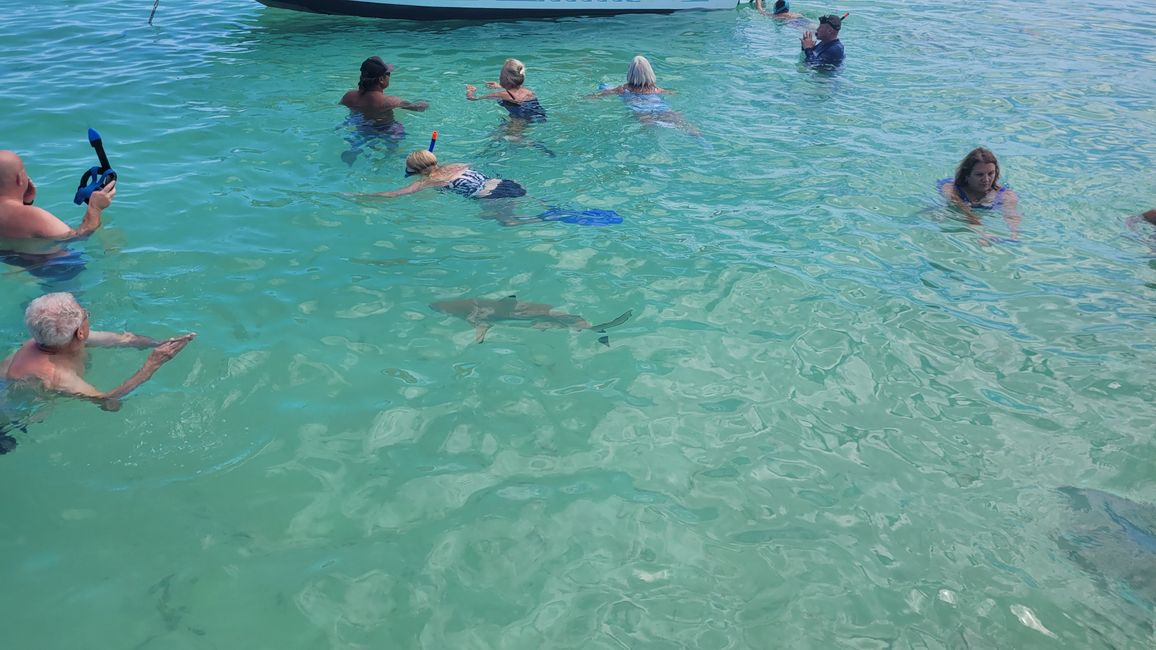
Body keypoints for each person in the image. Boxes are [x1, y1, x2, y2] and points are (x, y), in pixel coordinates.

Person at [1, 293, 195, 411]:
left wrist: (159, 343)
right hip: (10, 421)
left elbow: (123, 339)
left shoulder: (51, 338)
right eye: (86, 315)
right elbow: (107, 401)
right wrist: (152, 364)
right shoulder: (57, 375)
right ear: (81, 331)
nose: (87, 315)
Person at [0, 150, 116, 284]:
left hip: (19, 264)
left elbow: (14, 228)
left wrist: (26, 202)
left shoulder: (26, 217)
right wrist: (95, 208)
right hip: (59, 271)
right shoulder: (34, 217)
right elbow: (78, 236)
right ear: (20, 179)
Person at [338, 57, 429, 164]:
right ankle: (390, 155)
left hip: (363, 127)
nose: (389, 77)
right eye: (388, 74)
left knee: (360, 134)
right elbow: (417, 107)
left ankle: (355, 150)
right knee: (397, 130)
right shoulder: (389, 101)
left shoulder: (349, 96)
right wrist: (425, 103)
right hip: (386, 129)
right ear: (381, 79)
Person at [593, 55, 699, 135]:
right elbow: (673, 93)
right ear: (650, 73)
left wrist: (592, 95)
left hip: (642, 110)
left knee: (649, 126)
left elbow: (604, 93)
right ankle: (700, 138)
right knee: (683, 123)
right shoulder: (657, 90)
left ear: (630, 73)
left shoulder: (623, 89)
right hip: (660, 107)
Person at [938, 147, 1021, 242]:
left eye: (991, 173)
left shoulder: (1006, 195)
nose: (986, 180)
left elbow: (1011, 216)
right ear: (967, 175)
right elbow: (961, 210)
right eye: (979, 175)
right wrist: (982, 232)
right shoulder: (951, 188)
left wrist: (1013, 235)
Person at [466, 59, 547, 123]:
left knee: (501, 136)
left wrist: (470, 91)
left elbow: (473, 98)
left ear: (503, 78)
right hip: (538, 114)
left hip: (519, 118)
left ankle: (531, 144)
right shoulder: (528, 91)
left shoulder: (501, 95)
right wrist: (500, 86)